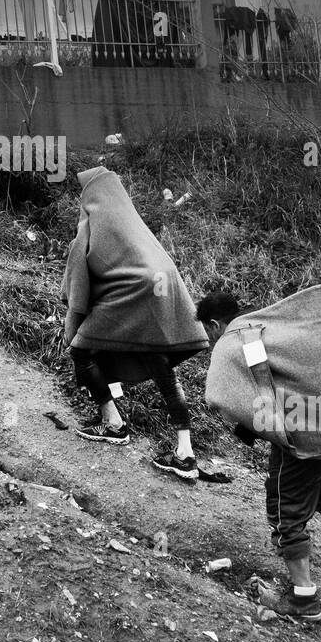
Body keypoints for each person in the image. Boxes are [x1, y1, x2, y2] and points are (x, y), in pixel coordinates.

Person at [197, 288, 321, 621]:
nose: (211, 340)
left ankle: (305, 600)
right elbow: (269, 382)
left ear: (214, 325)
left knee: (286, 514)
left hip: (305, 437)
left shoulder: (235, 339)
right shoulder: (273, 328)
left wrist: (260, 425)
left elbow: (218, 395)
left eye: (208, 333)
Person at [60, 166, 209, 479]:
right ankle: (185, 451)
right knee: (161, 366)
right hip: (160, 290)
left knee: (81, 351)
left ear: (89, 196)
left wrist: (72, 330)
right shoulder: (132, 223)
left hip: (132, 295)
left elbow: (78, 289)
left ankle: (113, 423)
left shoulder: (91, 225)